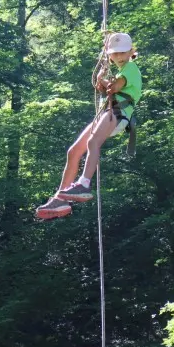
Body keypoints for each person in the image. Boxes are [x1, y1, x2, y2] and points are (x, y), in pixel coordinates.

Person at [35, 32, 142, 220]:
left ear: (130, 52)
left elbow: (115, 88)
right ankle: (61, 199)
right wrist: (102, 79)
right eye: (114, 53)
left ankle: (84, 184)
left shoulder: (130, 68)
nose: (117, 56)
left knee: (93, 142)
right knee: (74, 151)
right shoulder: (120, 70)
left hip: (117, 113)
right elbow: (108, 88)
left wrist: (104, 79)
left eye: (122, 53)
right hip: (107, 113)